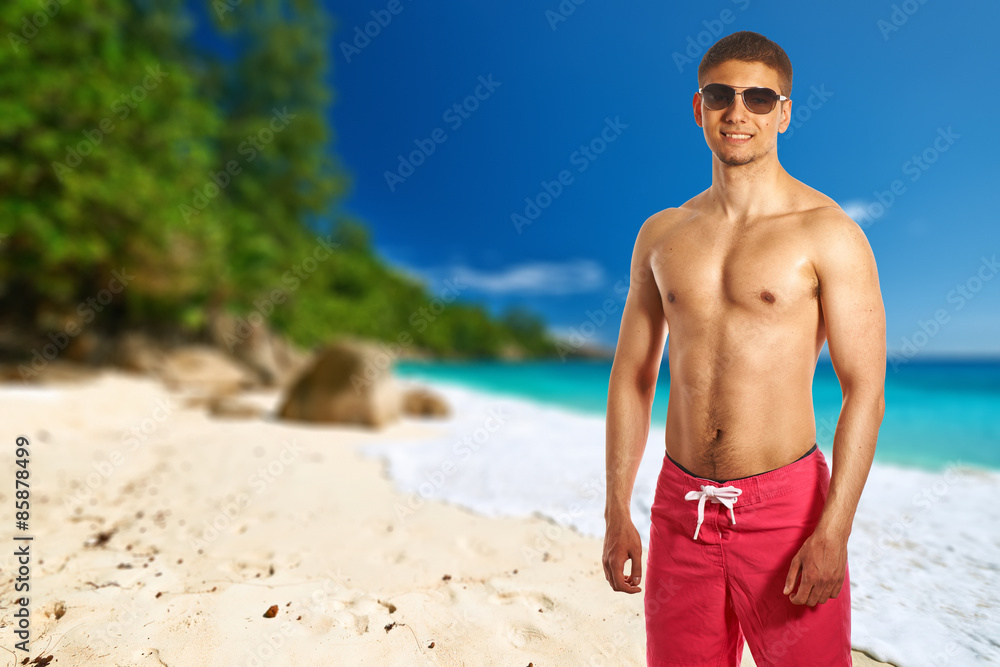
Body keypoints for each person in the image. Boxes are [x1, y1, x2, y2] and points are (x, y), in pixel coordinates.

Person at [601, 30, 886, 667]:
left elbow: (864, 389)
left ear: (784, 112)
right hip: (680, 510)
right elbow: (633, 377)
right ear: (698, 107)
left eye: (759, 98)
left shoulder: (829, 233)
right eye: (721, 95)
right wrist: (618, 509)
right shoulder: (662, 233)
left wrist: (833, 529)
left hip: (788, 512)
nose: (738, 112)